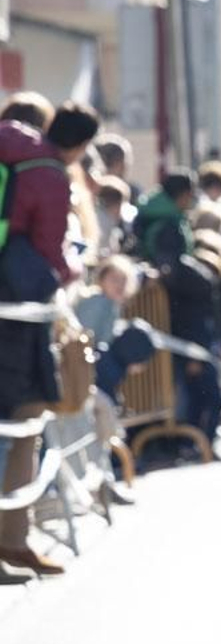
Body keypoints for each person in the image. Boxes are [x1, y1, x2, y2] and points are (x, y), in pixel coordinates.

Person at [0, 100, 101, 579]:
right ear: (80, 146)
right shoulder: (50, 174)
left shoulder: (9, 148)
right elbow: (50, 251)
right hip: (17, 309)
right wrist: (74, 268)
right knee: (22, 414)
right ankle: (11, 539)